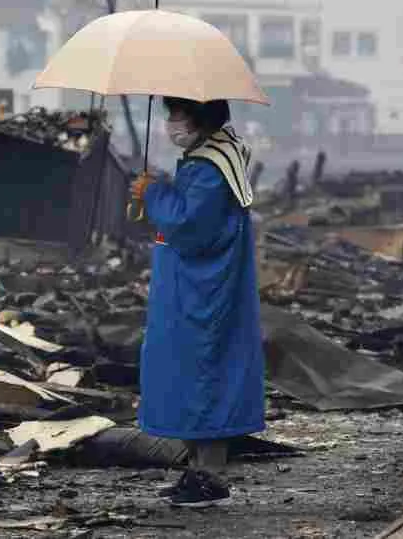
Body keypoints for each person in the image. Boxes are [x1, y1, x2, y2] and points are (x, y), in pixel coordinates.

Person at [129, 97, 265, 508]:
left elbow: (190, 226)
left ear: (198, 119)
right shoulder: (209, 157)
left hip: (201, 291)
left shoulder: (209, 167)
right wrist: (158, 191)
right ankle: (198, 469)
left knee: (202, 371)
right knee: (191, 370)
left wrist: (154, 194)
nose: (170, 123)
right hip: (195, 287)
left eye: (176, 114)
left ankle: (211, 477)